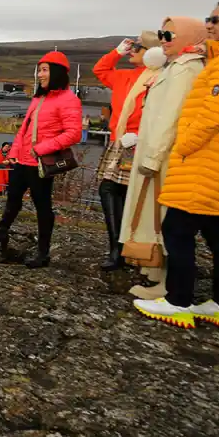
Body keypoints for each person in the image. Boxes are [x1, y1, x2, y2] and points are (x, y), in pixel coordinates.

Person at [134, 0, 219, 329]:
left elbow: (212, 113)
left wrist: (185, 144)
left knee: (177, 228)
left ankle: (178, 301)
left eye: (216, 19)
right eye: (207, 19)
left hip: (208, 161)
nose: (209, 24)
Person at [120, 17, 207, 299]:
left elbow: (170, 116)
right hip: (157, 151)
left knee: (161, 218)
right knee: (156, 217)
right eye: (162, 34)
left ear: (188, 37)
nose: (164, 38)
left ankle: (168, 283)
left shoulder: (185, 70)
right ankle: (158, 274)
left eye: (170, 34)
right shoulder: (176, 67)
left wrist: (153, 156)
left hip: (164, 157)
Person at [0, 51, 82, 268]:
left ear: (56, 72)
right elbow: (24, 130)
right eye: (39, 70)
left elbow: (74, 133)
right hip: (22, 161)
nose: (40, 75)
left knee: (43, 207)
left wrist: (41, 149)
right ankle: (0, 234)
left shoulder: (69, 100)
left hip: (40, 164)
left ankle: (42, 253)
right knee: (13, 200)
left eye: (44, 70)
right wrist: (15, 153)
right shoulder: (39, 97)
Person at [92, 31, 163, 270]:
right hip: (120, 141)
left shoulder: (159, 78)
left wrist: (142, 135)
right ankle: (118, 247)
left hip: (140, 142)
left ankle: (122, 249)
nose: (133, 51)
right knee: (110, 190)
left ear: (152, 53)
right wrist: (117, 52)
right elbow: (100, 71)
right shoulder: (124, 76)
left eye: (138, 47)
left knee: (122, 192)